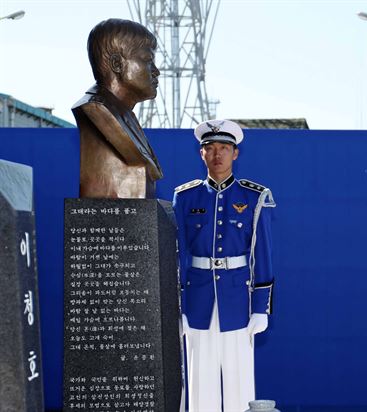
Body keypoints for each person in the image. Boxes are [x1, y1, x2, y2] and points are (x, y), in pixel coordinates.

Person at [173, 119, 275, 412]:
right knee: (199, 378)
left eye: (224, 148)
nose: (217, 154)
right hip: (196, 298)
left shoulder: (254, 197)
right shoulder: (185, 196)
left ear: (235, 154)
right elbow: (179, 252)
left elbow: (262, 254)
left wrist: (260, 307)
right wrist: (176, 304)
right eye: (210, 148)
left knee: (239, 381)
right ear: (201, 154)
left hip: (238, 299)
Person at [72, 18, 162, 198]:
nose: (156, 71)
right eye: (147, 60)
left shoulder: (126, 115)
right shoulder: (96, 109)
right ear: (117, 64)